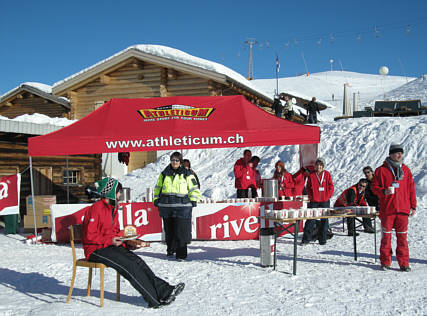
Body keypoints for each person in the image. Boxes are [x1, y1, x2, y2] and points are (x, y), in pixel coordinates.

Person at [82, 177, 185, 308]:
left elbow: (114, 232)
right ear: (111, 192)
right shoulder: (96, 209)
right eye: (118, 192)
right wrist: (110, 240)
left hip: (109, 245)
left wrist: (127, 242)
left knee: (138, 262)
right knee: (129, 266)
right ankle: (153, 300)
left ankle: (165, 291)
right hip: (95, 250)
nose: (120, 195)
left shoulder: (113, 209)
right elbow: (89, 236)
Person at [371, 144, 416, 272]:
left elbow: (411, 188)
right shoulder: (381, 170)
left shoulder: (406, 170)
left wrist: (413, 205)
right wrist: (383, 191)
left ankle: (404, 263)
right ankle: (385, 262)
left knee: (402, 238)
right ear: (391, 154)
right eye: (397, 153)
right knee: (386, 237)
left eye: (401, 153)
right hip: (388, 210)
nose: (399, 155)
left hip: (403, 209)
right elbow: (374, 187)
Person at [153, 152, 201, 261]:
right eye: (173, 160)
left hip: (182, 207)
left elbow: (194, 188)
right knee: (169, 231)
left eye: (177, 160)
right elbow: (158, 188)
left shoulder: (187, 173)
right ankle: (170, 249)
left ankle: (181, 254)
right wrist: (156, 199)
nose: (174, 162)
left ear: (180, 162)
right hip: (166, 206)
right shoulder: (164, 174)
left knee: (181, 231)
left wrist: (193, 199)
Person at [301, 157, 334, 245]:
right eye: (317, 165)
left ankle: (322, 239)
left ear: (323, 166)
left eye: (320, 165)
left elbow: (331, 186)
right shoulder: (312, 175)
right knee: (310, 219)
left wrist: (328, 196)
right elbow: (308, 187)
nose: (319, 167)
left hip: (324, 200)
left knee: (324, 220)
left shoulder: (327, 174)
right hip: (314, 201)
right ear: (315, 166)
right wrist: (311, 197)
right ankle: (306, 240)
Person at [361, 166, 377, 233]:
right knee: (363, 209)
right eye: (365, 173)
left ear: (372, 172)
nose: (367, 174)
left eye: (368, 172)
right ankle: (368, 228)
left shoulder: (378, 180)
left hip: (381, 203)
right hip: (371, 204)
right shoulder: (365, 183)